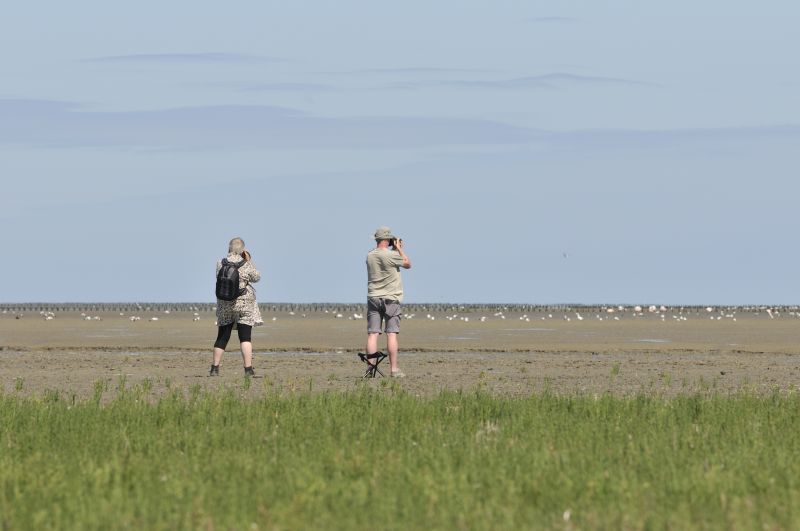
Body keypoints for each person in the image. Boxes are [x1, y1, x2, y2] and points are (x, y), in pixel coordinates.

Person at [210, 237, 263, 376]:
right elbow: (257, 277)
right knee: (245, 337)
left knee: (222, 336)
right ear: (242, 249)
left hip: (225, 303)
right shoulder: (246, 264)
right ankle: (248, 369)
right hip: (244, 304)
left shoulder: (220, 263)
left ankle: (215, 368)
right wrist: (248, 260)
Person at [365, 226, 411, 377]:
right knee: (391, 334)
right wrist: (398, 248)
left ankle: (370, 369)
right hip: (391, 298)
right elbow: (407, 264)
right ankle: (394, 369)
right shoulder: (391, 255)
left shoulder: (369, 256)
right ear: (388, 239)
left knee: (372, 334)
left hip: (373, 297)